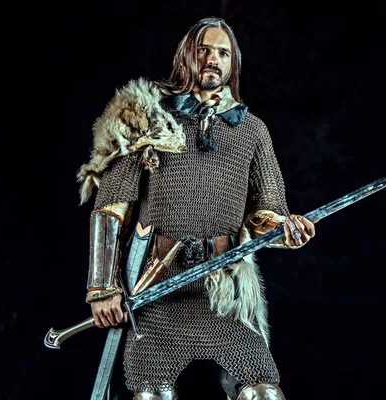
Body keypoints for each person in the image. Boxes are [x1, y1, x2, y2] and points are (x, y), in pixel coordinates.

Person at [76, 16, 315, 400]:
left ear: (232, 63)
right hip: (158, 285)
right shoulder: (149, 119)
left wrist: (287, 228)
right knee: (150, 394)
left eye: (223, 52)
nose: (213, 59)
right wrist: (103, 287)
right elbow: (111, 207)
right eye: (204, 49)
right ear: (187, 55)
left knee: (264, 393)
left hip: (224, 292)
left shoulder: (252, 131)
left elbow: (265, 215)